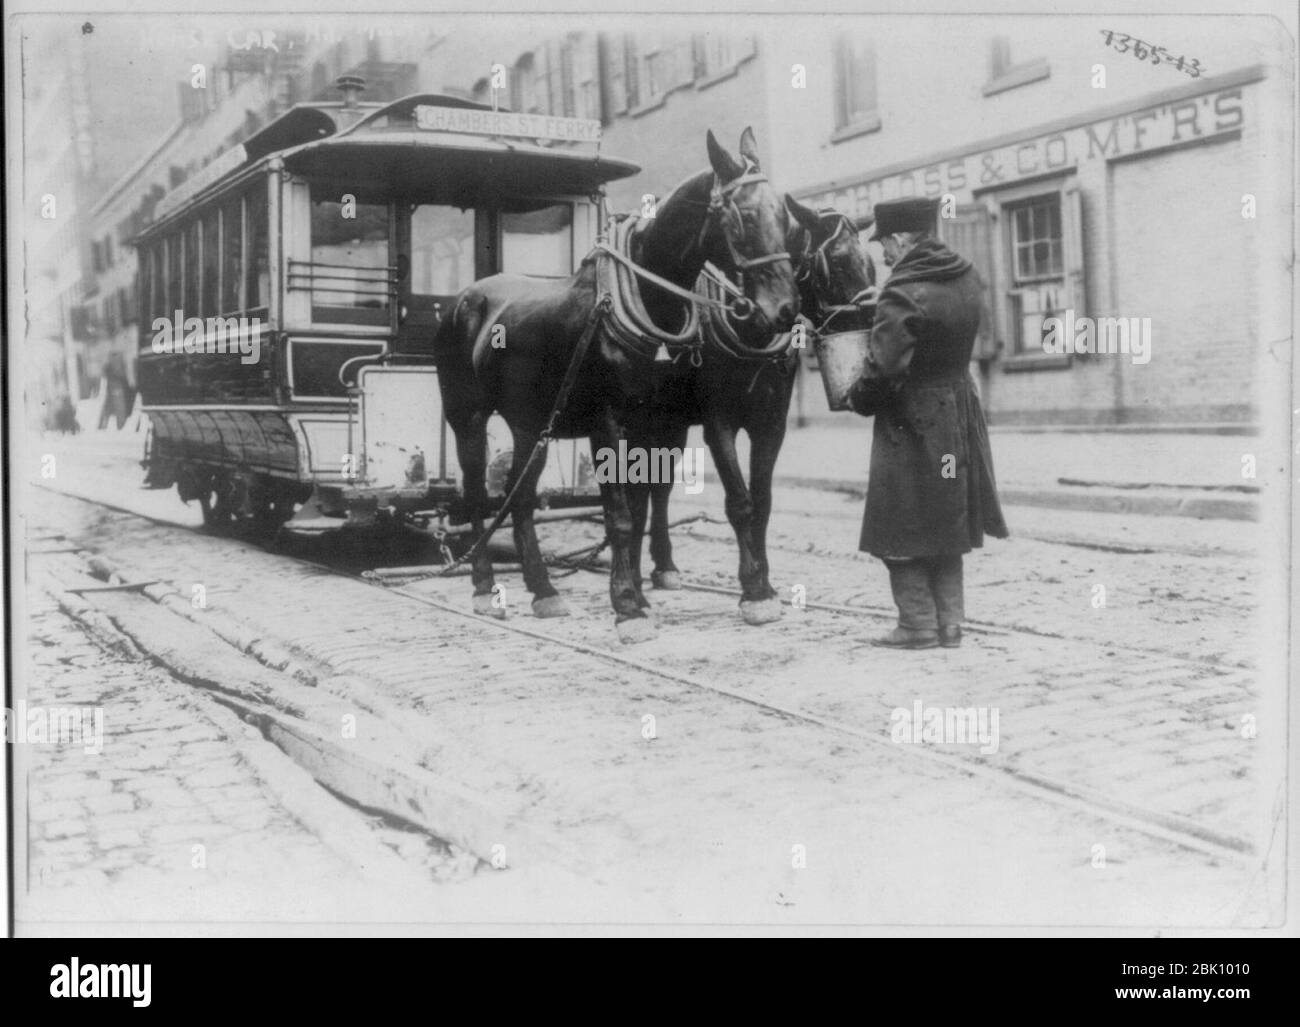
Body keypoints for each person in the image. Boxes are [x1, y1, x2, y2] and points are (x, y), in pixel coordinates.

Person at [847, 197, 1007, 649]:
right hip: (956, 413)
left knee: (900, 520)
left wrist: (857, 397)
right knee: (946, 515)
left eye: (885, 247)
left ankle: (917, 625)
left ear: (900, 239)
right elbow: (937, 310)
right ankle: (951, 624)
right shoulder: (965, 275)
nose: (884, 256)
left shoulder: (902, 290)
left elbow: (884, 370)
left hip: (911, 421)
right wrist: (888, 298)